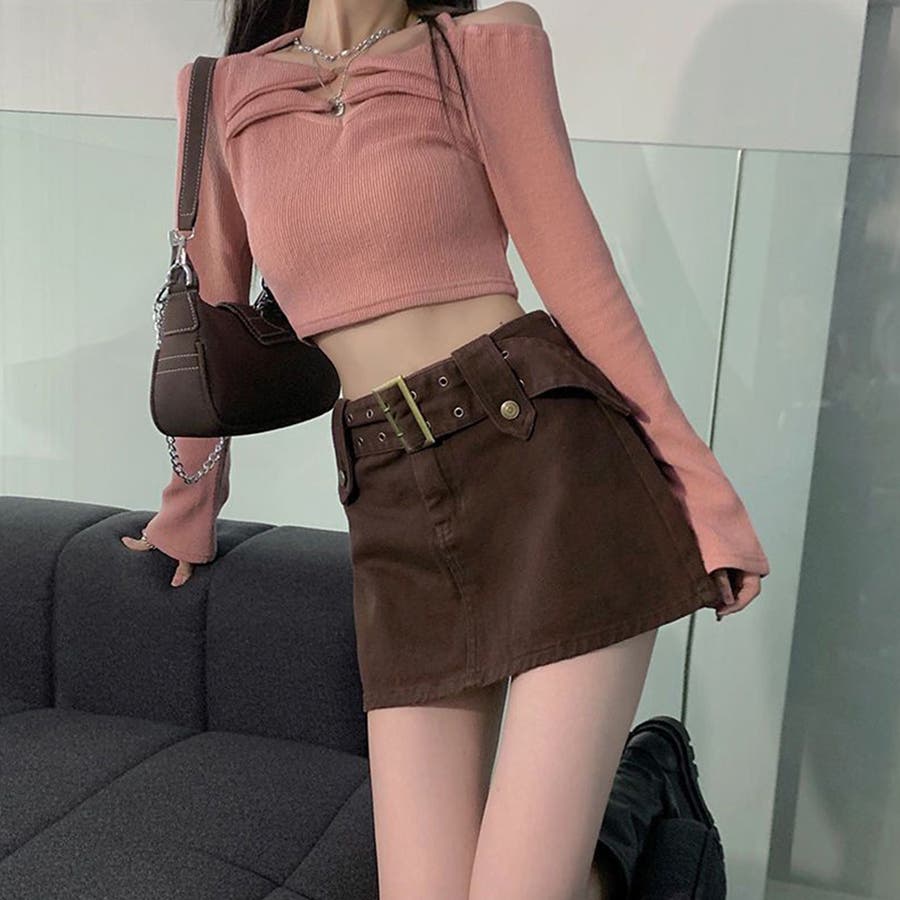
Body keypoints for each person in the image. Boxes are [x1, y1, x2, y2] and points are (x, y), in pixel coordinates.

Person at [123, 2, 769, 897]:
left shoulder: (479, 47)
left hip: (551, 465)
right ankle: (643, 815)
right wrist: (188, 509)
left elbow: (579, 275)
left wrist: (703, 494)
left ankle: (644, 791)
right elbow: (213, 320)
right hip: (391, 500)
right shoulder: (220, 92)